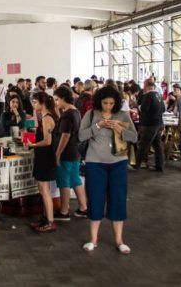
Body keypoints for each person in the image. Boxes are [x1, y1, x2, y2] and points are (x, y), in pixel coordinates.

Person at [78, 85, 137, 254]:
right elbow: (81, 136)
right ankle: (93, 239)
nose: (108, 106)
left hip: (118, 162)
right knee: (95, 199)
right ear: (99, 101)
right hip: (95, 162)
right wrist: (98, 126)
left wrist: (120, 129)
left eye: (111, 103)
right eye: (105, 103)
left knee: (118, 199)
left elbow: (134, 137)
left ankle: (119, 240)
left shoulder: (123, 115)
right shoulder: (90, 115)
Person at [52, 86, 88, 221]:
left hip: (66, 153)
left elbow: (65, 136)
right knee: (75, 179)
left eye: (56, 100)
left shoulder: (67, 115)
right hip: (75, 152)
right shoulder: (75, 111)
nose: (55, 103)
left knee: (64, 182)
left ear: (63, 99)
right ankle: (83, 207)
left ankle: (64, 211)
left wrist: (57, 153)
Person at [27, 92, 58, 233]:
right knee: (43, 189)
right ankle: (46, 218)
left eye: (34, 102)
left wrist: (32, 145)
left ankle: (50, 221)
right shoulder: (44, 117)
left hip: (46, 157)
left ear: (42, 103)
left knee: (44, 190)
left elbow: (47, 141)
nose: (33, 105)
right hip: (43, 156)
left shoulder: (46, 118)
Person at [135, 78, 165, 171]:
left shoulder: (148, 96)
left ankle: (137, 164)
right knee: (158, 146)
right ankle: (160, 165)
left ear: (146, 85)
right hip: (159, 122)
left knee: (143, 145)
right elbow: (163, 109)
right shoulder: (158, 95)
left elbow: (144, 109)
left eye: (144, 85)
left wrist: (138, 107)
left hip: (149, 124)